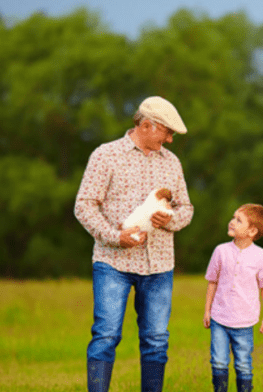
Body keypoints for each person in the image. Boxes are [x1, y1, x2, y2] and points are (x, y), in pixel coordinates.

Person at [75, 96, 194, 392]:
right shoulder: (106, 155)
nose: (169, 139)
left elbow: (186, 209)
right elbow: (84, 206)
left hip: (159, 266)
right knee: (105, 336)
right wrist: (116, 237)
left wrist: (169, 220)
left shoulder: (172, 162)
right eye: (166, 132)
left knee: (156, 340)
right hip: (112, 263)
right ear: (146, 125)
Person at [203, 204, 263, 392]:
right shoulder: (221, 251)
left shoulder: (261, 256)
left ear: (252, 231)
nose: (232, 222)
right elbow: (212, 282)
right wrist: (207, 310)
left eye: (238, 220)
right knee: (218, 361)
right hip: (219, 318)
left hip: (244, 322)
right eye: (233, 217)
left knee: (243, 364)